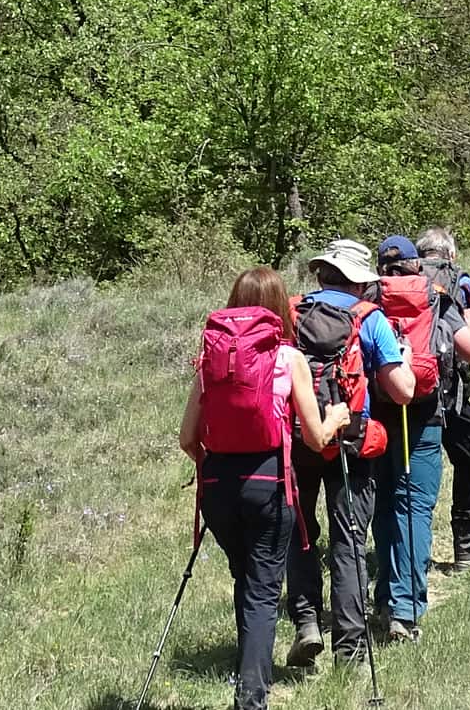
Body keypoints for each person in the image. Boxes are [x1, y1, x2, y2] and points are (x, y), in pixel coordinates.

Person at [178, 269, 350, 710]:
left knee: (246, 576)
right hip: (268, 482)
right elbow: (316, 438)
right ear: (279, 307)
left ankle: (248, 669)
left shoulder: (212, 358)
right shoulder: (288, 358)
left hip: (218, 484)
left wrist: (212, 465)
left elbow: (187, 438)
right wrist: (337, 418)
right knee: (262, 589)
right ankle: (251, 697)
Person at [287, 240, 414, 668]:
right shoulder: (369, 318)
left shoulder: (292, 313)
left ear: (321, 273)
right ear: (360, 282)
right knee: (349, 541)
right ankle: (351, 648)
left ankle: (306, 623)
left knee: (301, 533)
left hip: (300, 438)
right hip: (350, 442)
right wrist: (404, 359)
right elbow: (403, 391)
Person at [409, 229, 470, 572]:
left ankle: (411, 553)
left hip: (409, 391)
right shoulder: (459, 282)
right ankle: (468, 545)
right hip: (451, 391)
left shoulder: (403, 282)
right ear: (451, 254)